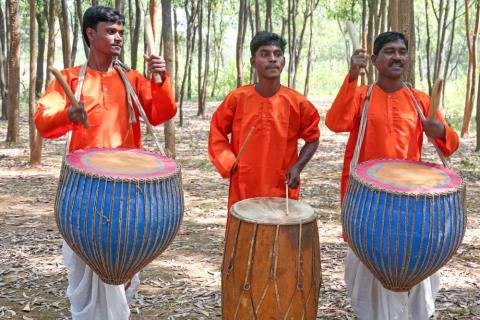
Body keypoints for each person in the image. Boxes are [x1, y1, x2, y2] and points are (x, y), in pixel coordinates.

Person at [35, 6, 176, 320]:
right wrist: (66, 115)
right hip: (83, 194)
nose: (118, 38)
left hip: (127, 195)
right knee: (84, 276)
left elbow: (161, 113)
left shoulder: (133, 80)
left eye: (121, 33)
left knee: (120, 270)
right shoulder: (70, 79)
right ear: (90, 34)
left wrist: (161, 79)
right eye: (111, 32)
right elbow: (43, 121)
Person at [325, 31, 459, 319]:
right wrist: (351, 74)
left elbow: (451, 142)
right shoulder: (361, 95)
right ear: (374, 60)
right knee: (366, 279)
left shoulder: (420, 100)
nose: (396, 56)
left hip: (412, 206)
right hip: (366, 204)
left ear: (407, 58)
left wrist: (440, 131)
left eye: (401, 51)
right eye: (388, 51)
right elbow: (335, 122)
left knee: (416, 274)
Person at [208, 31, 320, 213]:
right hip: (244, 183)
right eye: (265, 54)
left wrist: (298, 167)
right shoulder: (237, 98)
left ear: (283, 61)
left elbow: (313, 138)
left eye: (277, 54)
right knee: (244, 235)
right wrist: (229, 163)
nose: (272, 59)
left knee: (280, 236)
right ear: (253, 62)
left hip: (281, 184)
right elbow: (217, 130)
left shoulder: (298, 102)